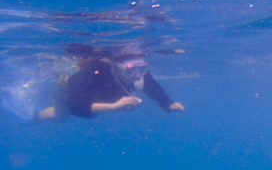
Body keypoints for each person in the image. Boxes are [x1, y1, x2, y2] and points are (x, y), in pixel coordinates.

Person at [38, 45, 185, 120]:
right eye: (131, 69)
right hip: (71, 90)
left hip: (101, 93)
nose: (139, 74)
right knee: (60, 117)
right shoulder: (94, 72)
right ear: (114, 66)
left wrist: (168, 103)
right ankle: (35, 117)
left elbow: (152, 88)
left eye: (142, 68)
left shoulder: (139, 74)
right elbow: (75, 106)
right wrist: (112, 107)